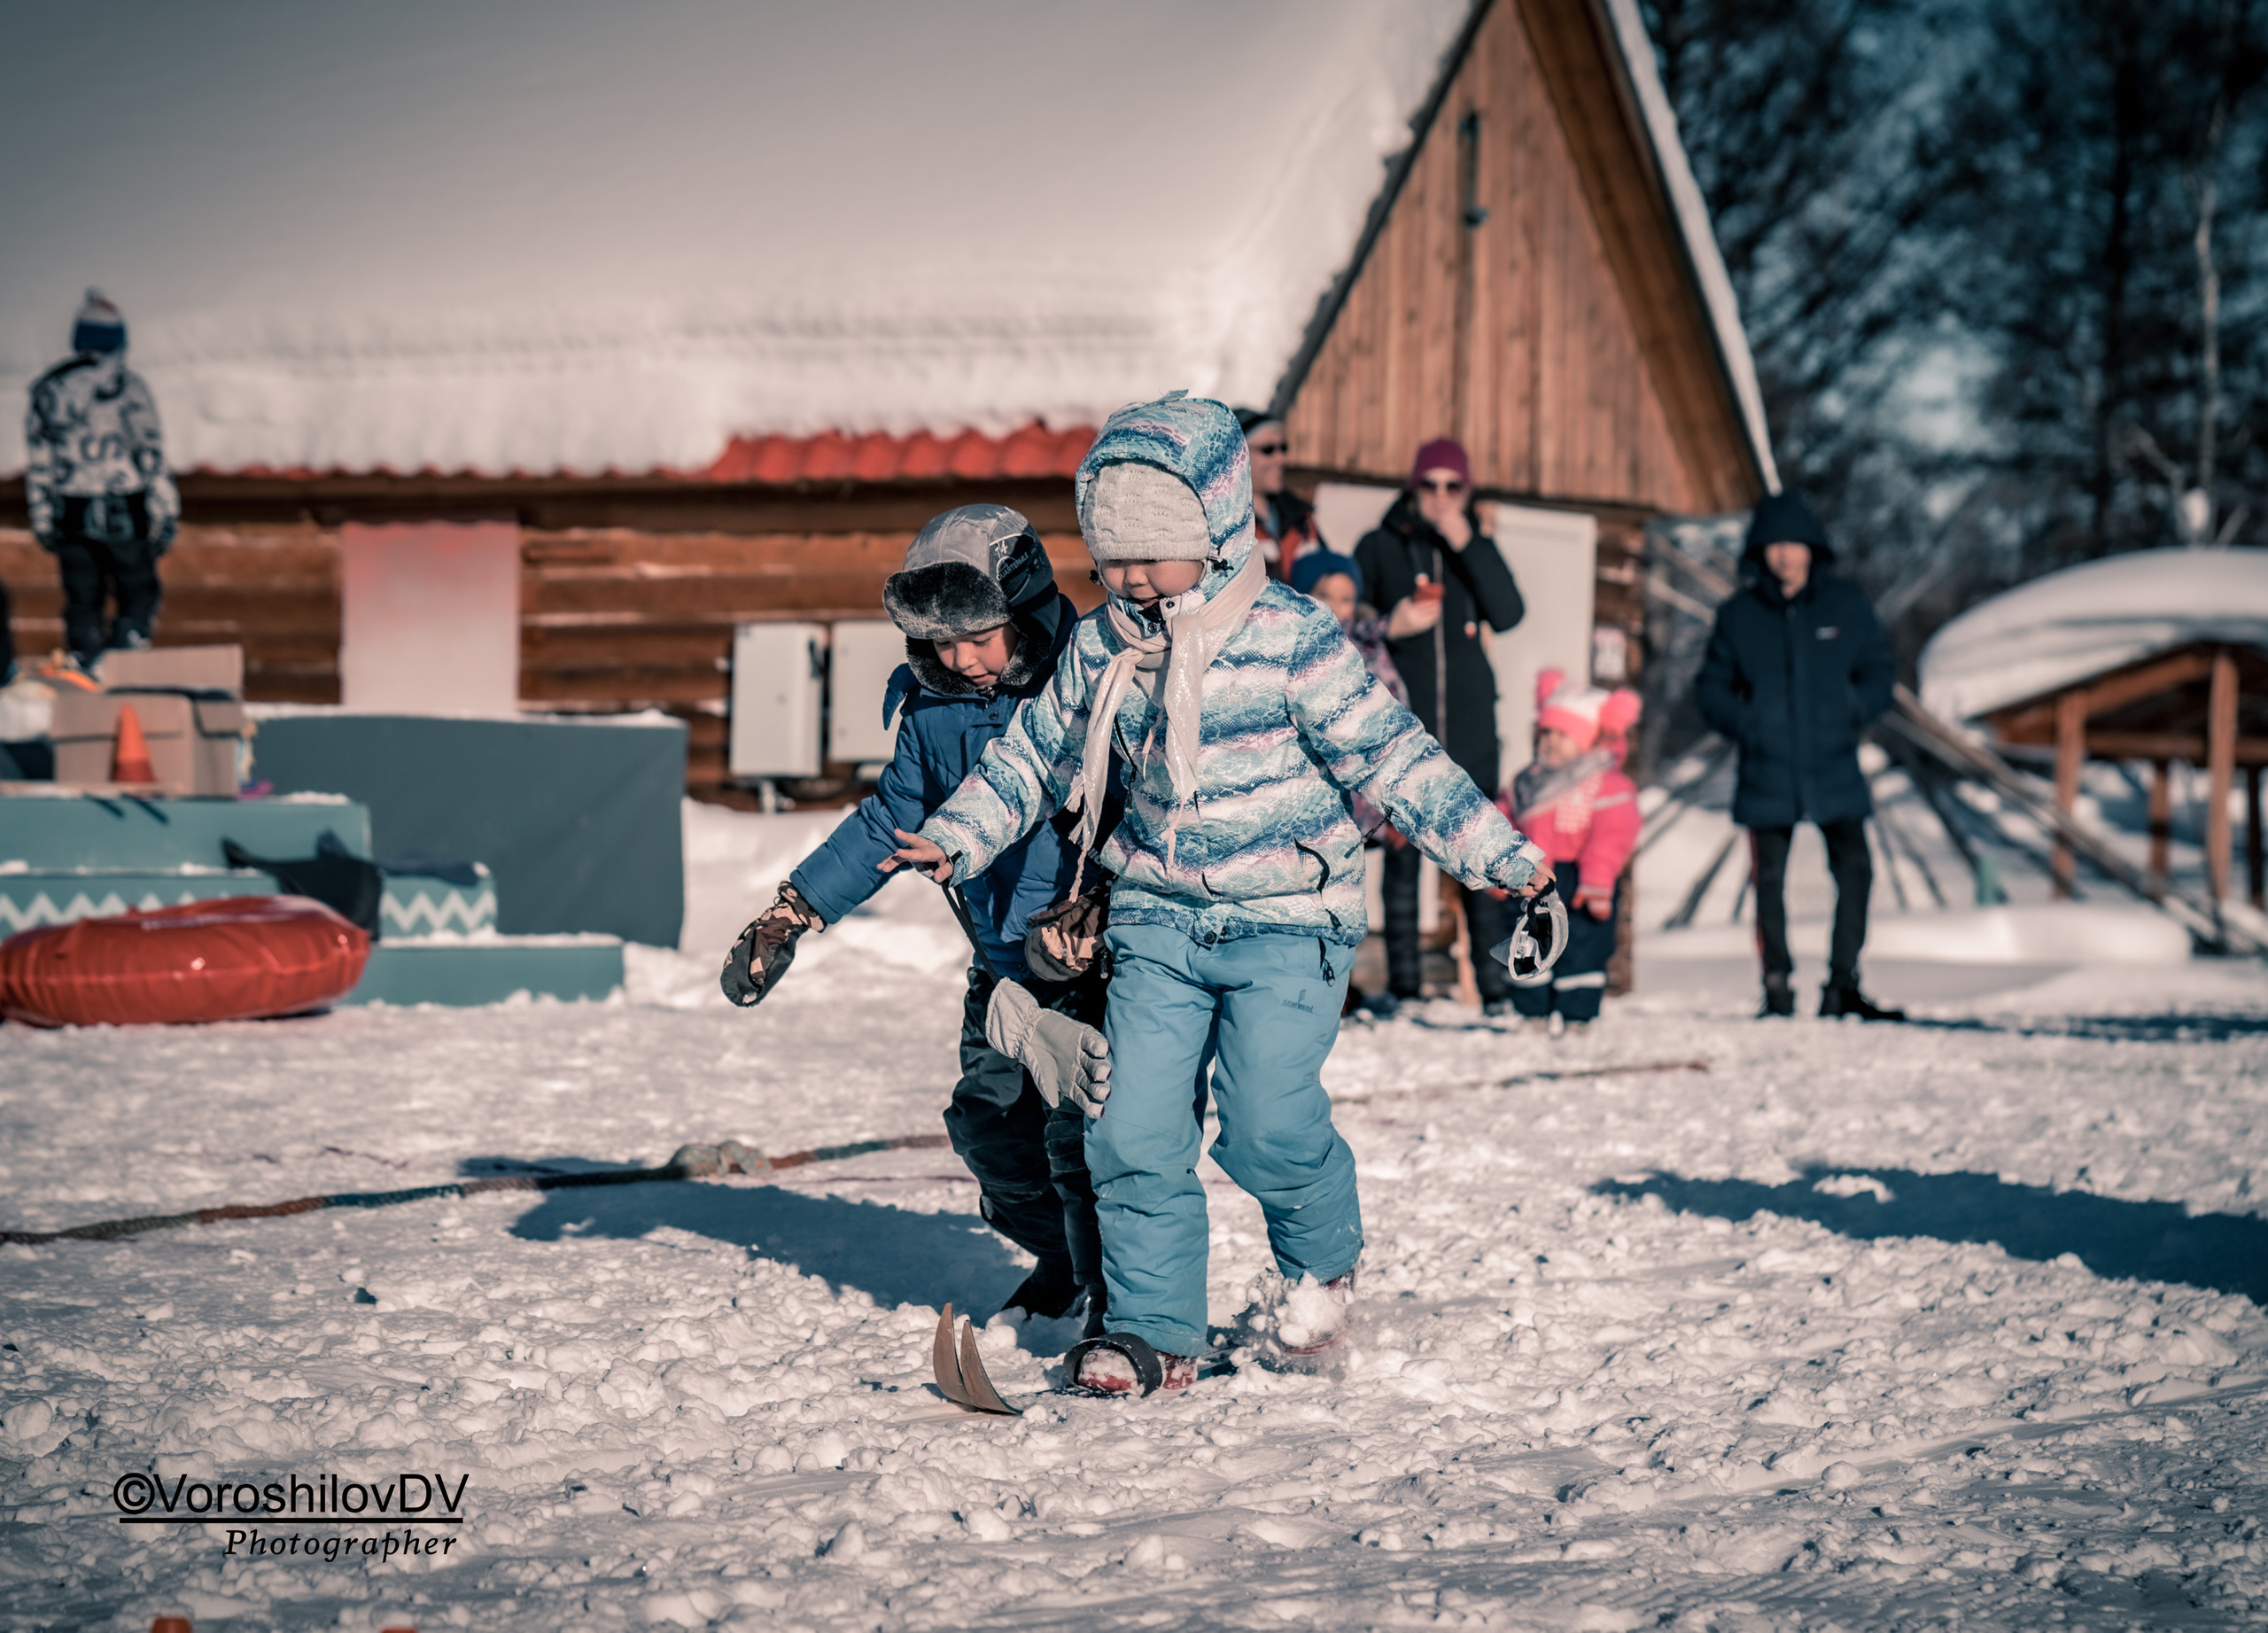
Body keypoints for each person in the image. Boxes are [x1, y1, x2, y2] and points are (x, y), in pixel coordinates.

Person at [887, 394, 1552, 1396]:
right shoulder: (1103, 647)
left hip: (1290, 919)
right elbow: (1031, 758)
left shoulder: (1292, 637)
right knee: (1130, 1128)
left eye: (1157, 550)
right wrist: (956, 834)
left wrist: (1501, 855)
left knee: (1265, 1127)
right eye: (1114, 557)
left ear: (1221, 527)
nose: (1134, 576)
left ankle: (1321, 1267)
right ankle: (1155, 1332)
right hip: (1158, 917)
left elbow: (1391, 754)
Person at [718, 504, 1111, 1330]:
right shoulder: (934, 711)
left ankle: (1122, 1293)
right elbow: (889, 819)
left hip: (1092, 963)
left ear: (1028, 608)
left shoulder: (1091, 684)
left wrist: (1107, 903)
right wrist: (794, 910)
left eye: (980, 636)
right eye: (942, 641)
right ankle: (1066, 1257)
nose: (961, 660)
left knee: (1084, 1144)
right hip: (1001, 967)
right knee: (992, 1132)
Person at [1696, 489, 1902, 1021]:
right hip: (1766, 768)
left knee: (1856, 870)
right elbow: (1711, 687)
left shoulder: (1847, 606)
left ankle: (1843, 984)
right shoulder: (1739, 615)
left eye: (1794, 543)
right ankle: (1777, 986)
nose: (1784, 554)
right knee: (1768, 882)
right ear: (1758, 551)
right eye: (1772, 544)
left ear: (1813, 546)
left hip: (1835, 763)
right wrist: (1750, 724)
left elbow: (1880, 670)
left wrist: (1852, 710)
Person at [1354, 437, 1526, 1015]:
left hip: (1474, 732)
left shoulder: (1472, 548)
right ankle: (1404, 988)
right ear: (1412, 487)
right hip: (1405, 732)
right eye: (1431, 485)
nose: (1441, 497)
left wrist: (1468, 544)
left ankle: (1494, 989)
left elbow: (1509, 612)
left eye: (1454, 486)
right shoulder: (1379, 546)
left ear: (1468, 491)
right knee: (1402, 862)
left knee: (1481, 861)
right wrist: (1391, 624)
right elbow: (1349, 628)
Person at [25, 291, 180, 672]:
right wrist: (164, 507)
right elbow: (150, 453)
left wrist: (43, 515)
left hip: (71, 508)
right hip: (122, 502)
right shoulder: (129, 390)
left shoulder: (48, 393)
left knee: (82, 594)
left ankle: (86, 658)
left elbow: (40, 461)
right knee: (138, 587)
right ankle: (127, 648)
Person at [1500, 672, 1642, 1035]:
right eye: (1546, 732)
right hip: (1531, 876)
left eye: (1563, 734)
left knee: (1582, 945)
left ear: (1588, 738)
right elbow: (1502, 821)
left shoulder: (1605, 783)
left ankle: (1578, 1014)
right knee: (1529, 939)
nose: (1551, 742)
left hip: (1580, 877)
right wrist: (1497, 865)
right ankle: (1531, 1011)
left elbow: (1611, 836)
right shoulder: (1526, 781)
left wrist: (1597, 880)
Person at [1233, 408, 1324, 580]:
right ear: (1237, 455)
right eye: (1268, 449)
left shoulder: (1301, 518)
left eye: (1283, 448)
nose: (1280, 458)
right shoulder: (1221, 522)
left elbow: (1330, 575)